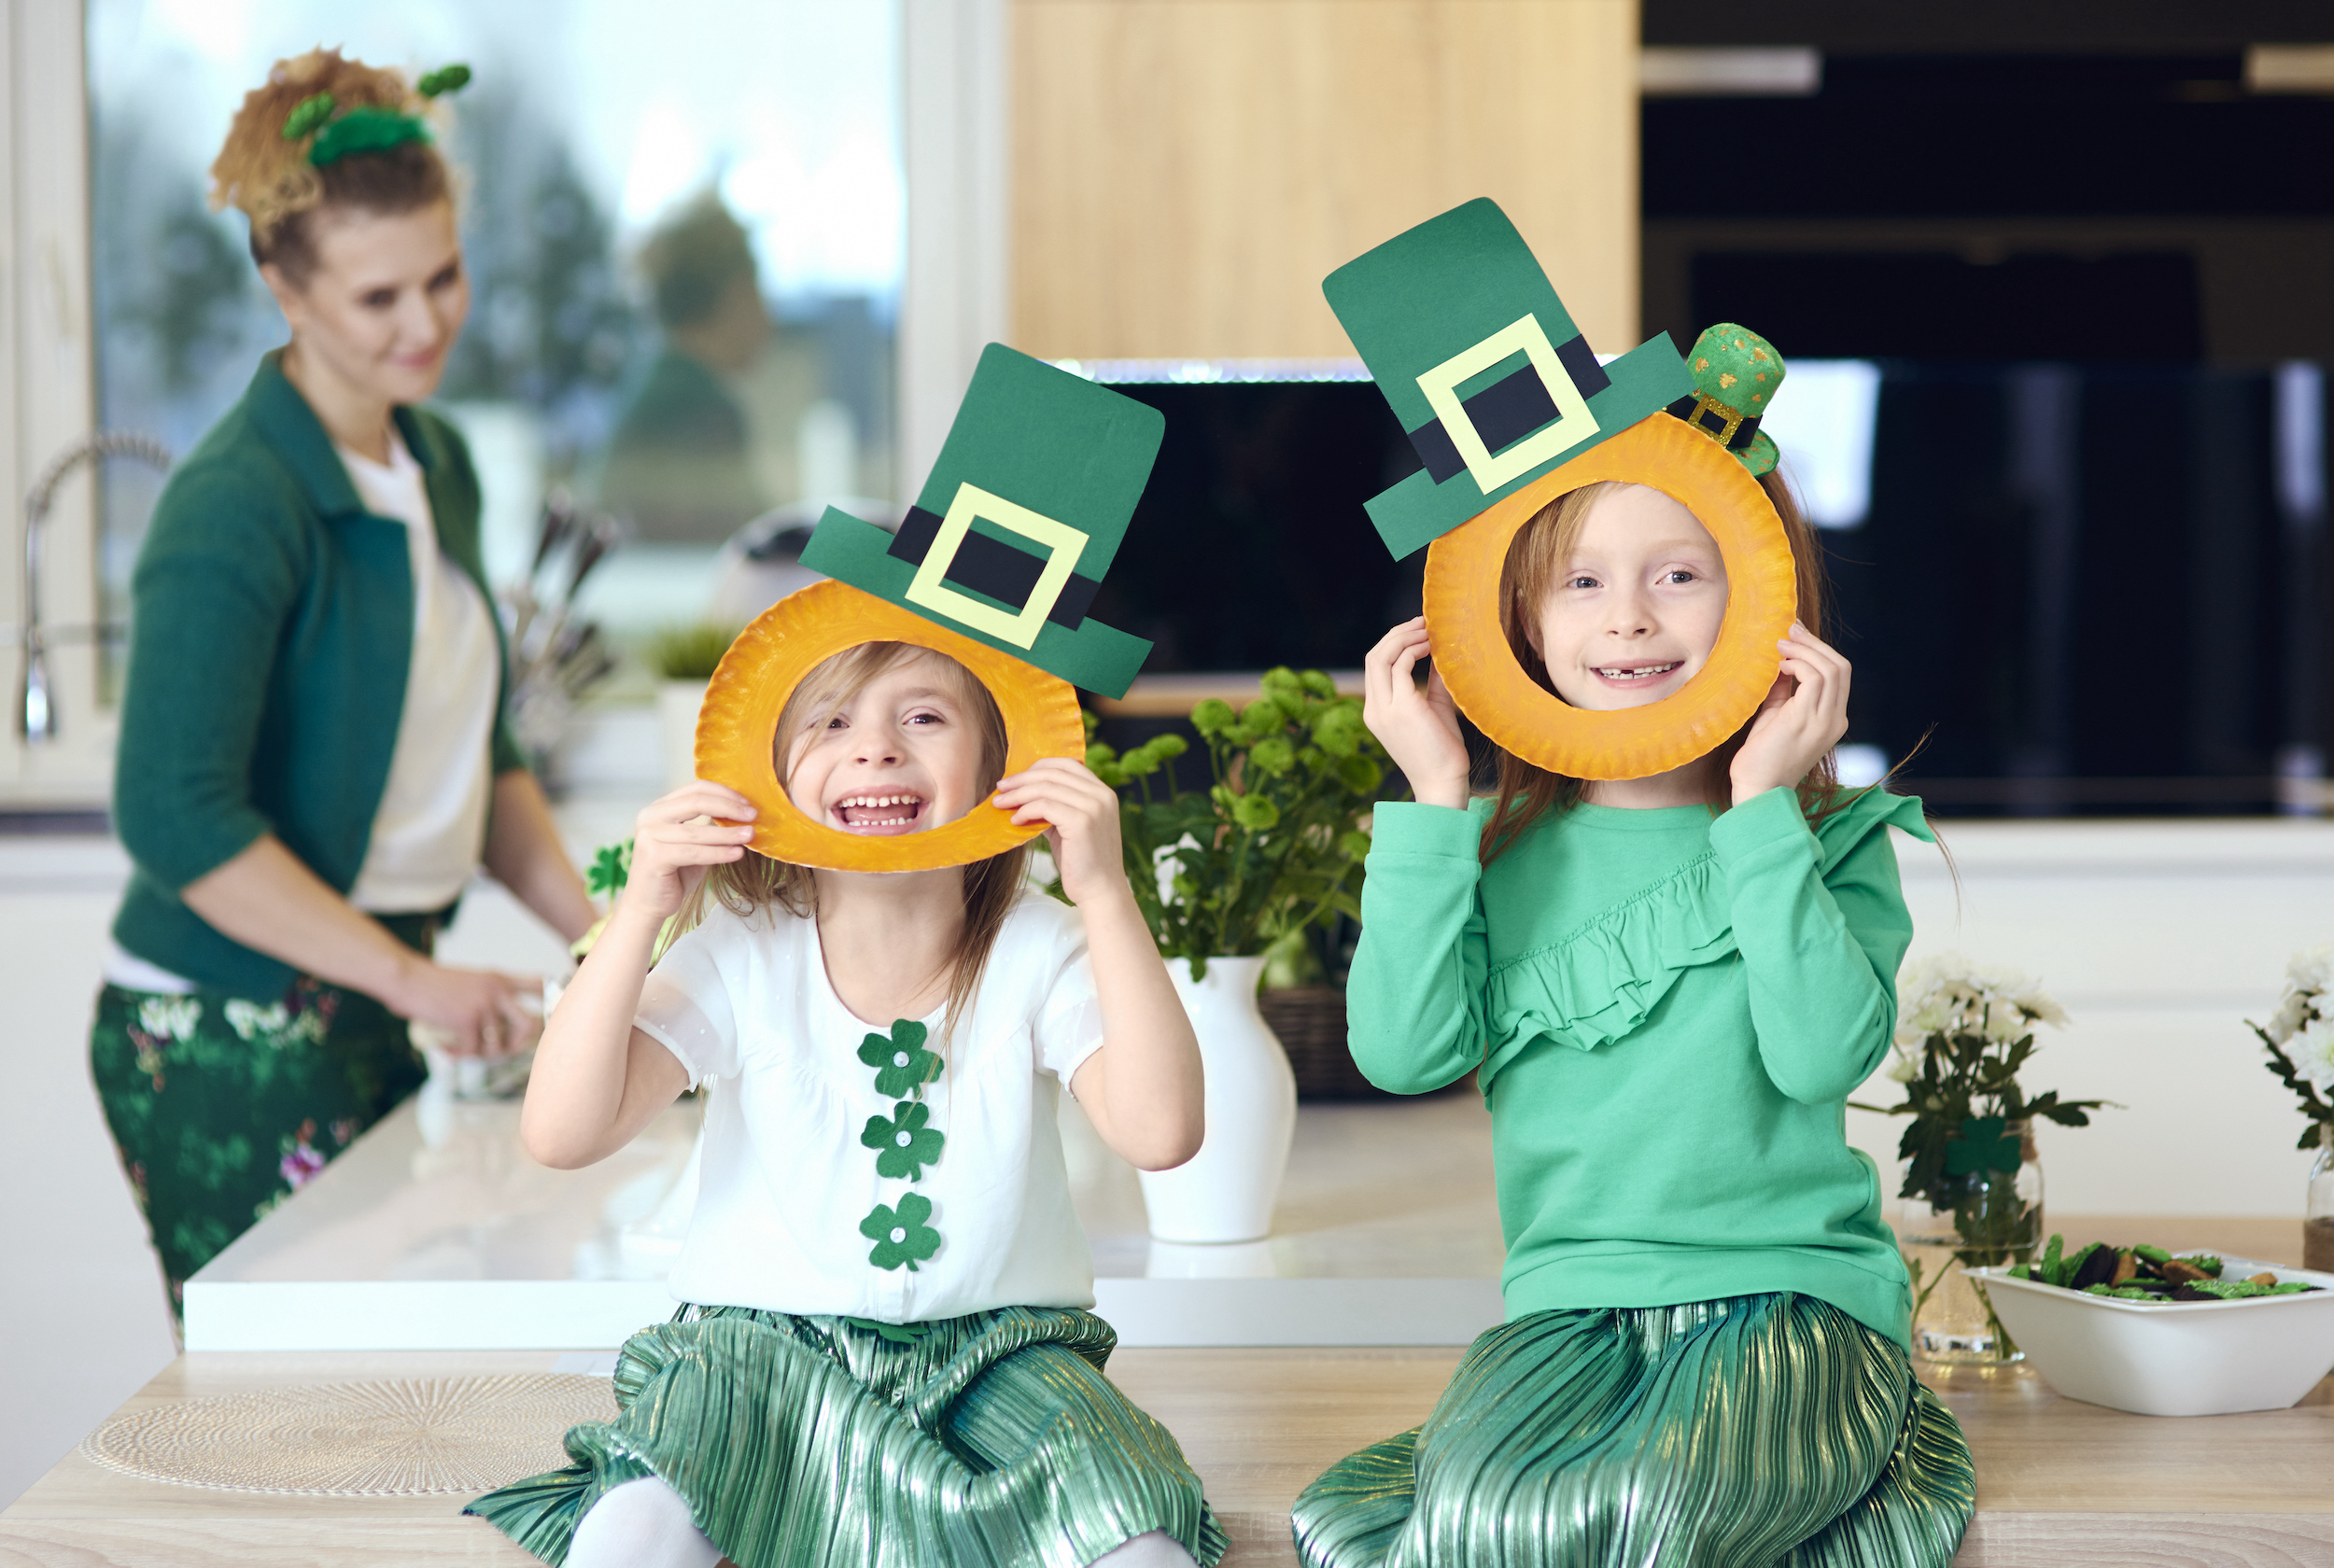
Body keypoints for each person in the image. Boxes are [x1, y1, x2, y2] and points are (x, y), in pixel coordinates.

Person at [1290, 300, 1975, 1559]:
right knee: (1476, 1518)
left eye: (1678, 575)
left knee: (1669, 1509)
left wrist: (1764, 806)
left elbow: (1821, 1057)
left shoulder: (1832, 837)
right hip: (1566, 1314)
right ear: (1521, 622)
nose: (1628, 621)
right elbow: (1403, 1053)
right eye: (1582, 583)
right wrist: (1435, 802)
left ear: (1759, 594)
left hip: (1793, 1304)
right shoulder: (1492, 854)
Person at [468, 642, 1222, 1568]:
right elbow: (562, 1133)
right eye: (830, 722)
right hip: (756, 1355)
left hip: (1000, 1358)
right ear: (773, 770)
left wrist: (1104, 894)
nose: (874, 749)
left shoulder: (1045, 943)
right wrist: (638, 914)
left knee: (1138, 1535)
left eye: (923, 717)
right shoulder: (737, 949)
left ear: (998, 765)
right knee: (632, 1526)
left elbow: (1161, 1132)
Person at [92, 50, 598, 1317]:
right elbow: (175, 818)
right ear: (283, 287)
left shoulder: (436, 460)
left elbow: (482, 764)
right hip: (222, 1029)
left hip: (366, 995)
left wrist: (617, 942)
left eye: (443, 277)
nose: (423, 324)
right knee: (297, 1402)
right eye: (378, 297)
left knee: (399, 1379)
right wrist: (419, 982)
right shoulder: (235, 507)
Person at [592, 193, 773, 543]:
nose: (770, 318)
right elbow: (763, 540)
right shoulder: (699, 407)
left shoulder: (657, 384)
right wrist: (892, 567)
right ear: (737, 297)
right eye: (760, 293)